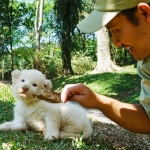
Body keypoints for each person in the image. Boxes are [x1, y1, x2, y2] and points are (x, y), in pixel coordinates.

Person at [61, 0, 150, 134]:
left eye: (116, 30)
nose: (116, 43)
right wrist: (96, 100)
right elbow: (147, 120)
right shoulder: (146, 62)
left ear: (145, 13)